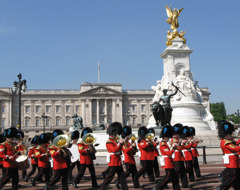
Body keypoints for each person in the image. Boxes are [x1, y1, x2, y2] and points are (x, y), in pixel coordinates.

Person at [99, 122, 128, 190]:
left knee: (122, 177)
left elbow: (119, 149)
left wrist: (124, 142)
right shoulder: (109, 142)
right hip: (114, 162)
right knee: (110, 177)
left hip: (118, 161)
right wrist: (120, 144)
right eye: (115, 134)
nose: (116, 135)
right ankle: (101, 188)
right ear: (112, 134)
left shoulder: (114, 141)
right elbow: (114, 150)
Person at [152, 125, 181, 190]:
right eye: (168, 137)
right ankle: (157, 187)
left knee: (175, 177)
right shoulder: (163, 144)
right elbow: (169, 153)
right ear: (165, 137)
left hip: (170, 162)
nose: (169, 138)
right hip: (167, 162)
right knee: (168, 177)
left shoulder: (165, 143)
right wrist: (173, 147)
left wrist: (177, 146)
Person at [216, 121, 240, 190]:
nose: (231, 135)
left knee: (237, 178)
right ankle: (221, 188)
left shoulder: (228, 140)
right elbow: (235, 148)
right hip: (232, 162)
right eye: (229, 134)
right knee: (232, 177)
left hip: (235, 161)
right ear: (226, 134)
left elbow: (235, 142)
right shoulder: (225, 142)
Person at [171, 123, 191, 188]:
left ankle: (185, 184)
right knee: (177, 172)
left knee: (183, 172)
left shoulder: (177, 140)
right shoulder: (173, 140)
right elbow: (179, 148)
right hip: (176, 157)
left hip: (180, 156)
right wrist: (182, 143)